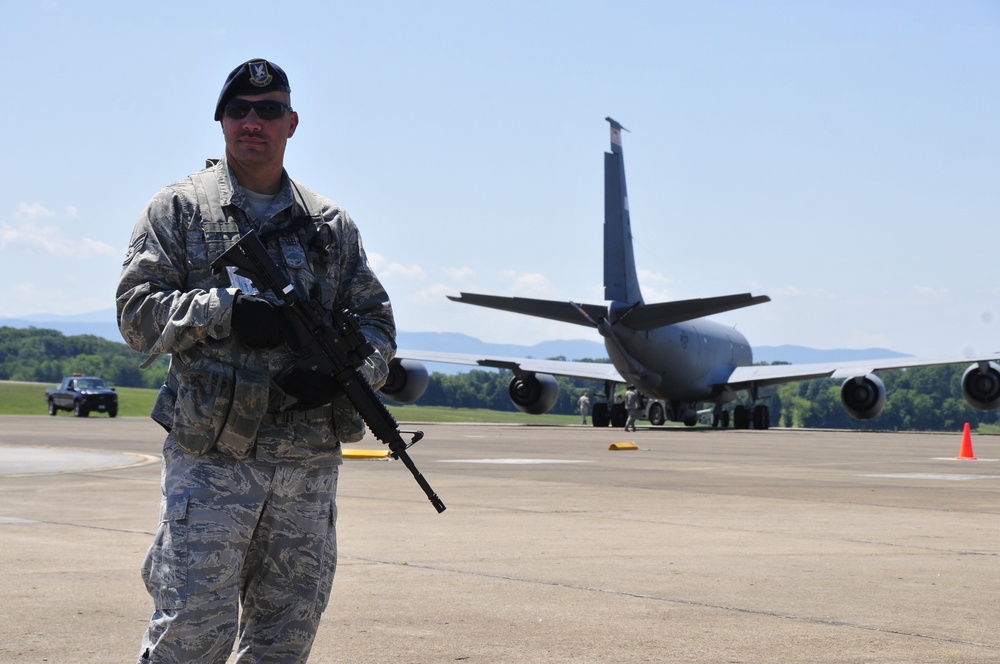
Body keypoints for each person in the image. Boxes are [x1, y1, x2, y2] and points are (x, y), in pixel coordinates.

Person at [116, 58, 396, 663]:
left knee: (285, 640)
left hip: (305, 468)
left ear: (291, 123)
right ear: (220, 121)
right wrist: (224, 311)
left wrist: (344, 377)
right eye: (239, 109)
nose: (253, 121)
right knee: (189, 634)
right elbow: (136, 316)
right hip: (213, 463)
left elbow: (377, 325)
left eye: (268, 111)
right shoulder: (179, 211)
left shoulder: (330, 225)